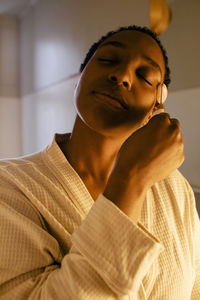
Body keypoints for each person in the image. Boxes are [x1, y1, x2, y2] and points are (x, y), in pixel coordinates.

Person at [0, 25, 199, 299]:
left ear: (156, 106)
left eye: (145, 75)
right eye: (107, 60)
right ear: (79, 77)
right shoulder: (9, 187)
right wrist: (131, 180)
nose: (122, 75)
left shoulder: (177, 190)